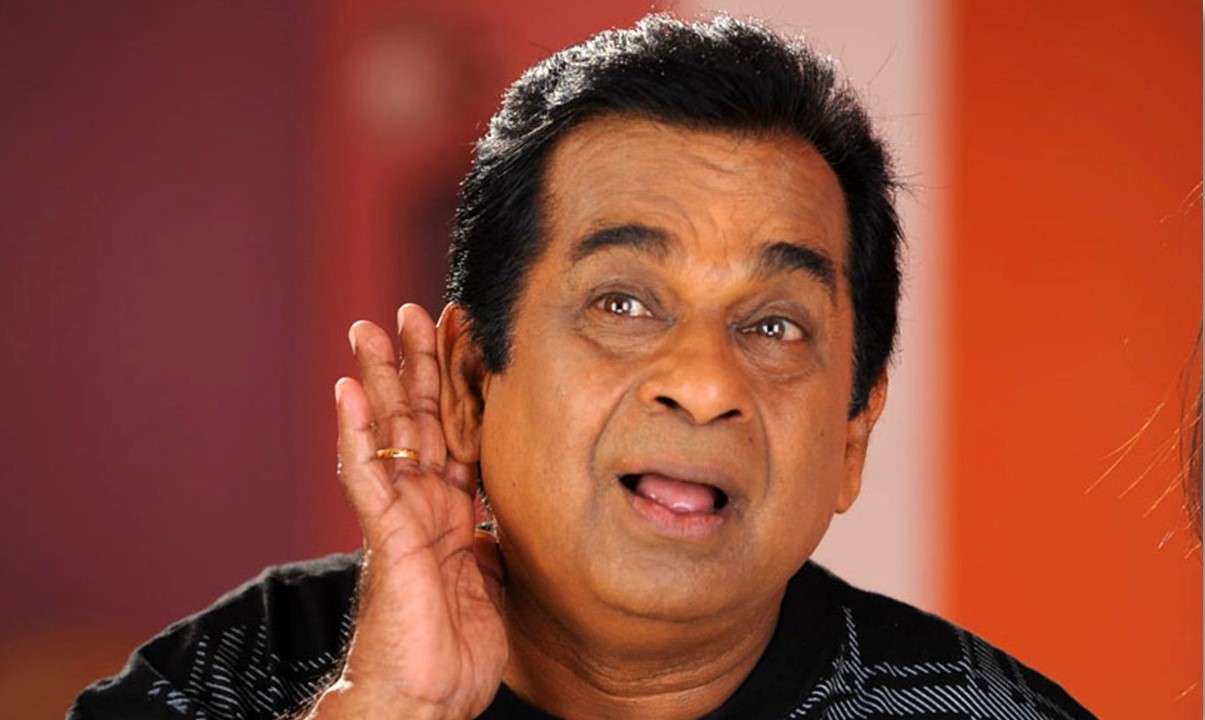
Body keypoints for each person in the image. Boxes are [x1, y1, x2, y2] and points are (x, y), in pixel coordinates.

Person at [68, 14, 1095, 720]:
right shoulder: (233, 677)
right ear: (470, 383)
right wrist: (389, 710)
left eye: (775, 325)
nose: (704, 384)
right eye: (623, 303)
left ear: (851, 439)